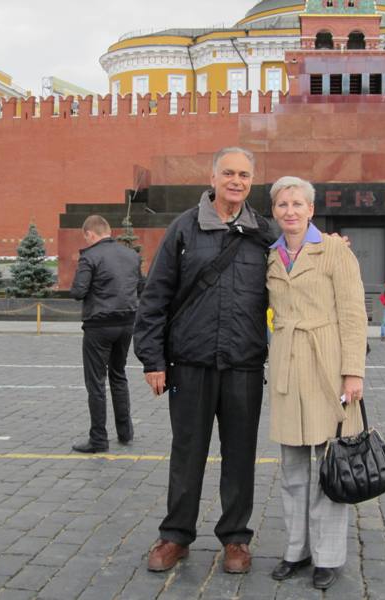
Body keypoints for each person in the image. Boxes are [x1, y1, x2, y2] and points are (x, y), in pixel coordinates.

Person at [133, 147, 277, 574]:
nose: (236, 181)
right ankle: (176, 535)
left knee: (240, 455)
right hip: (190, 363)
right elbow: (154, 297)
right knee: (187, 452)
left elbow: (303, 248)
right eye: (229, 173)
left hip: (244, 364)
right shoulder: (184, 229)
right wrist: (152, 360)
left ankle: (235, 538)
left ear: (252, 182)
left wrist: (329, 243)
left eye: (244, 175)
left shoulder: (263, 233)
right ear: (212, 177)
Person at [265, 176, 366, 591]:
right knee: (291, 468)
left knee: (330, 467)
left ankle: (327, 557)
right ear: (274, 211)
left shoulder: (334, 251)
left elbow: (353, 313)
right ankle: (296, 550)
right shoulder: (269, 256)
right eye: (282, 204)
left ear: (311, 208)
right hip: (287, 363)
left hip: (327, 364)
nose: (289, 211)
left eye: (297, 204)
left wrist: (353, 371)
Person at [69, 215, 143, 453]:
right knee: (119, 375)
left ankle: (99, 439)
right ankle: (125, 432)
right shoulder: (131, 255)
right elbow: (141, 286)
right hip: (127, 323)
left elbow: (78, 292)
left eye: (86, 237)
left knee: (96, 383)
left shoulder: (89, 256)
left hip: (99, 325)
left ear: (90, 234)